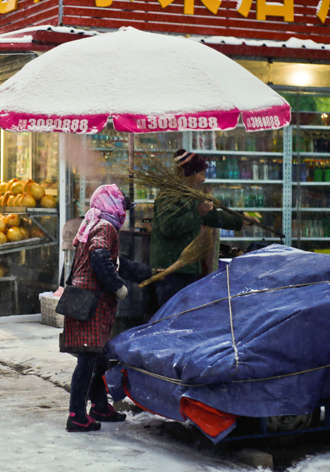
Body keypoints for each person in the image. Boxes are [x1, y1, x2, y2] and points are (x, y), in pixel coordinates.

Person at [59, 184, 152, 432]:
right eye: (122, 207)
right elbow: (100, 257)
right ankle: (76, 416)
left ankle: (99, 406)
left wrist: (149, 273)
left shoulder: (93, 224)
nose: (124, 213)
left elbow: (117, 263)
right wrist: (117, 286)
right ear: (112, 206)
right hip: (91, 304)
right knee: (88, 360)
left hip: (85, 303)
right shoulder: (105, 227)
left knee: (97, 358)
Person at [149, 149, 245, 308]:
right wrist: (197, 212)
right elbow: (169, 227)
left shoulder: (192, 194)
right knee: (170, 317)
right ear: (190, 174)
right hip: (171, 270)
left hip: (187, 268)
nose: (203, 178)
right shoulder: (168, 195)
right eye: (201, 173)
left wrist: (241, 221)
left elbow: (213, 217)